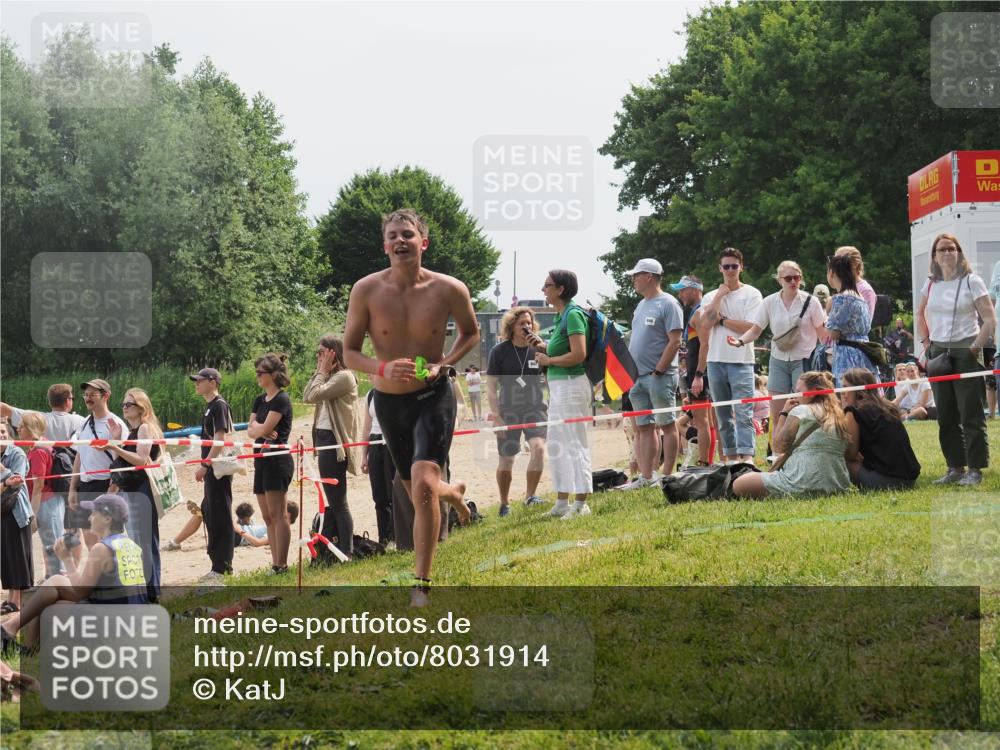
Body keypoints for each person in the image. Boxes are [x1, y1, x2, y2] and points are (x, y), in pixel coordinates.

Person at [343, 208, 478, 605]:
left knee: (421, 488)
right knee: (419, 491)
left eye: (408, 234)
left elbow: (470, 334)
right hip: (388, 403)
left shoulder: (449, 288)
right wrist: (382, 367)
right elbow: (350, 352)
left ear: (424, 242)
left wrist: (444, 363)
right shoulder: (365, 290)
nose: (400, 241)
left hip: (433, 397)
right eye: (393, 236)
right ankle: (452, 493)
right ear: (384, 246)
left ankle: (421, 583)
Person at [1, 494, 145, 654]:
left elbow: (82, 591)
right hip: (130, 619)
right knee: (51, 594)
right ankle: (24, 645)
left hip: (112, 622)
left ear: (107, 519)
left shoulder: (102, 548)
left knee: (51, 592)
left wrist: (67, 559)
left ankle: (13, 631)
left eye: (94, 513)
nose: (89, 518)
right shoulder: (129, 544)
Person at [916, 233, 996, 486]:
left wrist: (975, 347)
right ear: (935, 255)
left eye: (952, 248)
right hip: (938, 351)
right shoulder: (930, 284)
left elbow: (990, 319)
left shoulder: (972, 281)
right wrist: (927, 344)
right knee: (946, 414)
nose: (947, 253)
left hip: (967, 350)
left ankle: (975, 469)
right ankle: (954, 468)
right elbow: (919, 314)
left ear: (959, 253)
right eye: (942, 249)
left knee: (970, 413)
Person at [525, 269, 593, 518]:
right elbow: (561, 348)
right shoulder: (560, 316)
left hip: (572, 386)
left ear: (560, 289)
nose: (543, 289)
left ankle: (581, 503)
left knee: (576, 443)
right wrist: (542, 346)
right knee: (557, 444)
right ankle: (563, 501)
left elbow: (579, 354)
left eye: (547, 285)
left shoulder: (573, 315)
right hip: (560, 387)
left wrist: (549, 359)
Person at [729, 260, 826, 426]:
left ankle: (801, 447)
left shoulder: (812, 302)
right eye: (788, 278)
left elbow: (823, 334)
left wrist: (830, 357)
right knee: (777, 413)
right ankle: (777, 449)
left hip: (804, 360)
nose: (793, 281)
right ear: (779, 280)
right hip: (778, 360)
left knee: (806, 410)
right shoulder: (769, 302)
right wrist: (740, 341)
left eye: (796, 277)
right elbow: (755, 330)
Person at [1, 384, 84, 578]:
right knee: (58, 540)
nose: (18, 431)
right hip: (52, 498)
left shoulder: (38, 451)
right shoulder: (41, 445)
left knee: (54, 543)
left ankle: (63, 580)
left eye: (21, 428)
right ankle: (56, 577)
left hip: (46, 501)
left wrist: (33, 512)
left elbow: (39, 484)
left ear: (30, 430)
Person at [731, 371, 857, 498]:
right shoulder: (840, 416)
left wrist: (784, 414)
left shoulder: (801, 411)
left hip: (799, 482)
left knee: (739, 484)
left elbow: (778, 447)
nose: (795, 395)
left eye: (798, 391)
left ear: (812, 393)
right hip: (837, 485)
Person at [615, 258, 683, 489]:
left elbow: (675, 341)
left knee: (666, 425)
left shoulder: (669, 303)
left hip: (659, 376)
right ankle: (646, 476)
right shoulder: (641, 305)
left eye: (636, 275)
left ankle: (667, 475)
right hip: (637, 376)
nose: (633, 279)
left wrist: (659, 369)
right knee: (643, 427)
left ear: (649, 277)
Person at [696, 248, 763, 464]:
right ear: (720, 268)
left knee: (743, 412)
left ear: (741, 267)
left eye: (734, 266)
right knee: (723, 416)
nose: (731, 270)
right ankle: (732, 458)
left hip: (742, 361)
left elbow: (751, 326)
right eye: (726, 266)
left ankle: (747, 458)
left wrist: (723, 321)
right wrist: (719, 295)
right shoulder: (710, 296)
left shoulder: (752, 293)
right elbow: (705, 323)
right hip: (715, 361)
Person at [486, 307, 548, 515]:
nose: (527, 327)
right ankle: (504, 503)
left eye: (529, 323)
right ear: (511, 326)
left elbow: (551, 374)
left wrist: (544, 350)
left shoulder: (538, 348)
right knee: (507, 459)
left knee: (538, 448)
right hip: (508, 410)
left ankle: (530, 496)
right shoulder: (499, 351)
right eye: (522, 323)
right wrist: (497, 418)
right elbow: (491, 387)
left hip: (535, 408)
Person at [303, 335, 360, 562]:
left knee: (338, 502)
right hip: (325, 440)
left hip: (334, 443)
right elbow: (308, 395)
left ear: (333, 354)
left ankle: (347, 550)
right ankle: (341, 547)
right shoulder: (330, 376)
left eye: (322, 353)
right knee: (335, 501)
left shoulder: (344, 377)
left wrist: (322, 371)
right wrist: (321, 370)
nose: (319, 357)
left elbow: (314, 394)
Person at [106, 388, 163, 602]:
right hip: (132, 488)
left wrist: (117, 447)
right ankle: (148, 590)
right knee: (138, 540)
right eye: (123, 404)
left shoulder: (145, 428)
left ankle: (152, 592)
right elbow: (124, 461)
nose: (124, 407)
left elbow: (141, 460)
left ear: (141, 407)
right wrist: (117, 441)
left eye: (128, 404)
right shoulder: (133, 430)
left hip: (143, 488)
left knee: (146, 540)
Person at [67, 380, 129, 554]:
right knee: (89, 539)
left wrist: (111, 493)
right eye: (85, 395)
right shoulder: (85, 422)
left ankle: (113, 577)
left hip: (105, 485)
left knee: (109, 539)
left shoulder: (116, 425)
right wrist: (73, 488)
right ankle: (98, 577)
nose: (87, 399)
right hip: (85, 486)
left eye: (92, 395)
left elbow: (122, 463)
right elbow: (79, 455)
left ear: (106, 396)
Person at [248, 353, 295, 574]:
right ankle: (275, 563)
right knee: (267, 516)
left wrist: (260, 428)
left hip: (277, 460)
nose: (257, 375)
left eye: (261, 372)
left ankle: (281, 564)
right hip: (260, 459)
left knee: (279, 514)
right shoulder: (259, 400)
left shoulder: (281, 399)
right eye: (256, 372)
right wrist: (260, 428)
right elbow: (252, 431)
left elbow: (265, 429)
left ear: (274, 375)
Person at [187, 368, 235, 579]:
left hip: (217, 469)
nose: (196, 383)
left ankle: (223, 567)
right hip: (212, 468)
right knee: (210, 511)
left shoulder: (219, 405)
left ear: (213, 382)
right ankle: (217, 564)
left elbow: (220, 438)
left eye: (200, 380)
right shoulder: (210, 407)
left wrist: (205, 466)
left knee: (220, 514)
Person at [841, 368, 921, 491]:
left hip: (886, 481)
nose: (842, 393)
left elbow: (851, 454)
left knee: (838, 459)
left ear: (859, 390)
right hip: (910, 478)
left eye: (845, 388)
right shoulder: (889, 407)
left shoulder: (853, 412)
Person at [673, 275, 712, 466]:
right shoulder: (695, 312)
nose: (680, 294)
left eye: (682, 289)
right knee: (701, 420)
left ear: (695, 289)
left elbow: (705, 345)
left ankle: (704, 463)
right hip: (695, 373)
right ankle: (703, 461)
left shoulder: (699, 313)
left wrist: (698, 375)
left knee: (702, 420)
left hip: (699, 374)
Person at [825, 254, 877, 385]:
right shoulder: (859, 296)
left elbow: (833, 333)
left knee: (851, 402)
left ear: (831, 273)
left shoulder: (843, 298)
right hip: (863, 356)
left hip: (848, 360)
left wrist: (828, 314)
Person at [1, 422, 32, 614]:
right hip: (2, 511)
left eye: (3, 431)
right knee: (6, 556)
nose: (1, 435)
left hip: (17, 511)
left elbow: (16, 482)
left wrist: (3, 471)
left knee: (19, 556)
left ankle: (17, 601)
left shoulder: (17, 453)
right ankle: (10, 599)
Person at [361, 391, 394, 547]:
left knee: (393, 493)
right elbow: (366, 427)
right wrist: (363, 456)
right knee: (379, 496)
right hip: (374, 443)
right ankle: (383, 539)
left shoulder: (393, 390)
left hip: (391, 441)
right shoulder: (370, 395)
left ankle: (395, 536)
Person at [834, 246, 877, 320]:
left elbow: (864, 324)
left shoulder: (865, 290)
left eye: (841, 261)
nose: (835, 265)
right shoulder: (842, 287)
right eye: (835, 261)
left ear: (855, 264)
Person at [234, 501, 299, 548]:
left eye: (280, 510)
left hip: (238, 535)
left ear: (288, 515)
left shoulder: (279, 531)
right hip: (238, 530)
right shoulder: (276, 526)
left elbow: (258, 543)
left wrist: (241, 532)